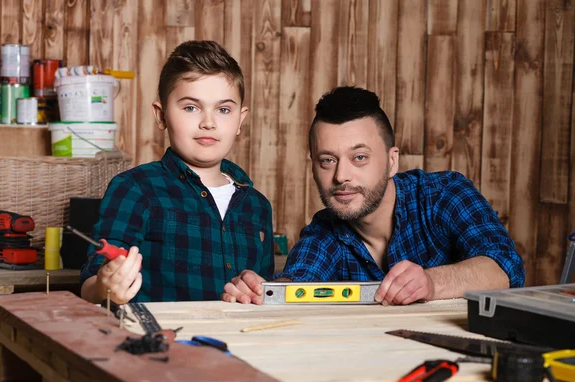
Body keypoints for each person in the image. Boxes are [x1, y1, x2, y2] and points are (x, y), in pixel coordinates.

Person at [222, 86, 524, 306]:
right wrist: (262, 292)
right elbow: (298, 282)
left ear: (392, 161)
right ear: (313, 166)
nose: (341, 176)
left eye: (360, 158)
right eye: (327, 160)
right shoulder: (324, 233)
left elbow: (505, 268)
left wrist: (431, 282)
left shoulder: (445, 194)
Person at [80, 40, 274, 304]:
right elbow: (90, 285)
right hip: (160, 340)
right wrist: (105, 286)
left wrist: (260, 292)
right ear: (161, 115)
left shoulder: (257, 205)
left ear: (240, 119)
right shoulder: (135, 189)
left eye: (224, 109)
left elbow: (264, 291)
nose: (208, 122)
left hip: (240, 341)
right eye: (191, 107)